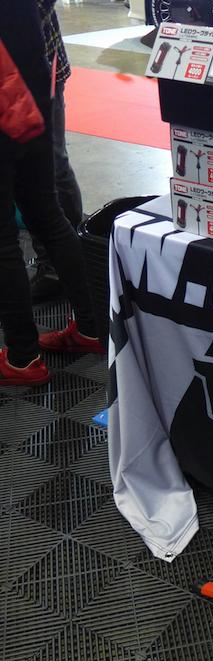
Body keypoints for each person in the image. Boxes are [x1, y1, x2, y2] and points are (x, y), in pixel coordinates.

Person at [0, 0, 102, 388]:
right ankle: (92, 327)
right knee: (47, 212)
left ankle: (22, 357)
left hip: (9, 94)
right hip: (34, 84)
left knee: (4, 238)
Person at [30, 0, 84, 302]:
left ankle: (70, 258)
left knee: (51, 165)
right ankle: (52, 262)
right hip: (16, 72)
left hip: (37, 69)